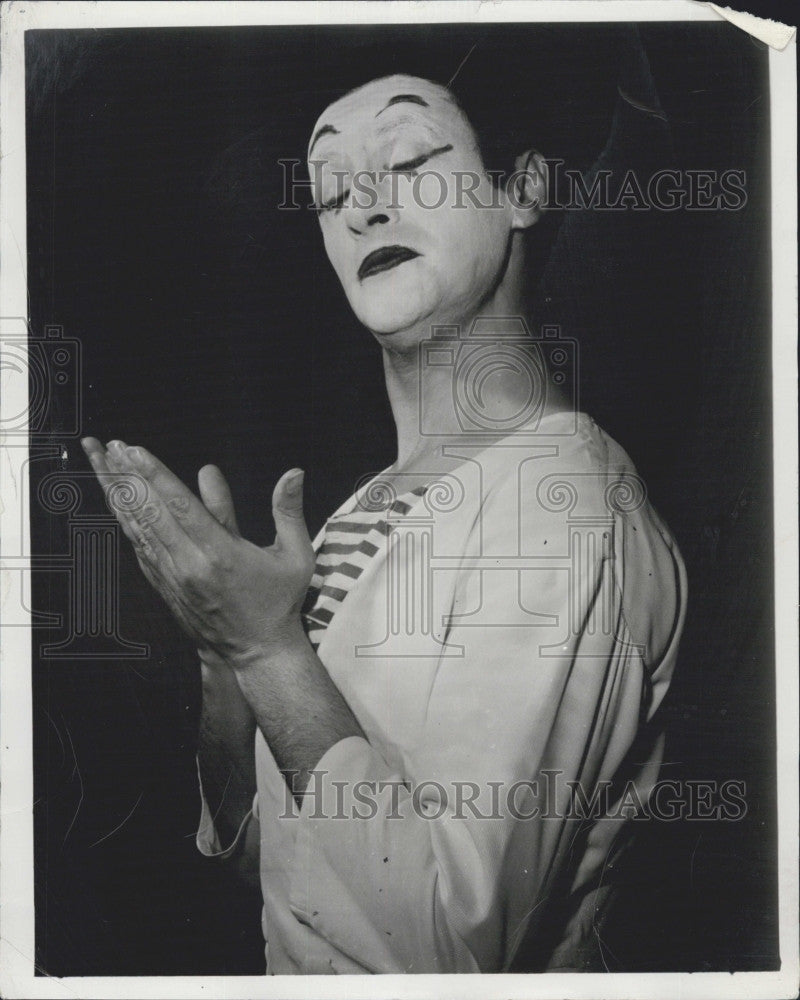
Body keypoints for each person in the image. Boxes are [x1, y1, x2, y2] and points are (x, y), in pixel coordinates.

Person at [82, 72, 687, 974]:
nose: (362, 207)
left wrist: (268, 655)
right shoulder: (364, 508)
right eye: (329, 191)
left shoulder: (566, 501)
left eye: (408, 160)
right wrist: (223, 655)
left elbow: (448, 947)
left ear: (522, 189)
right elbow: (269, 868)